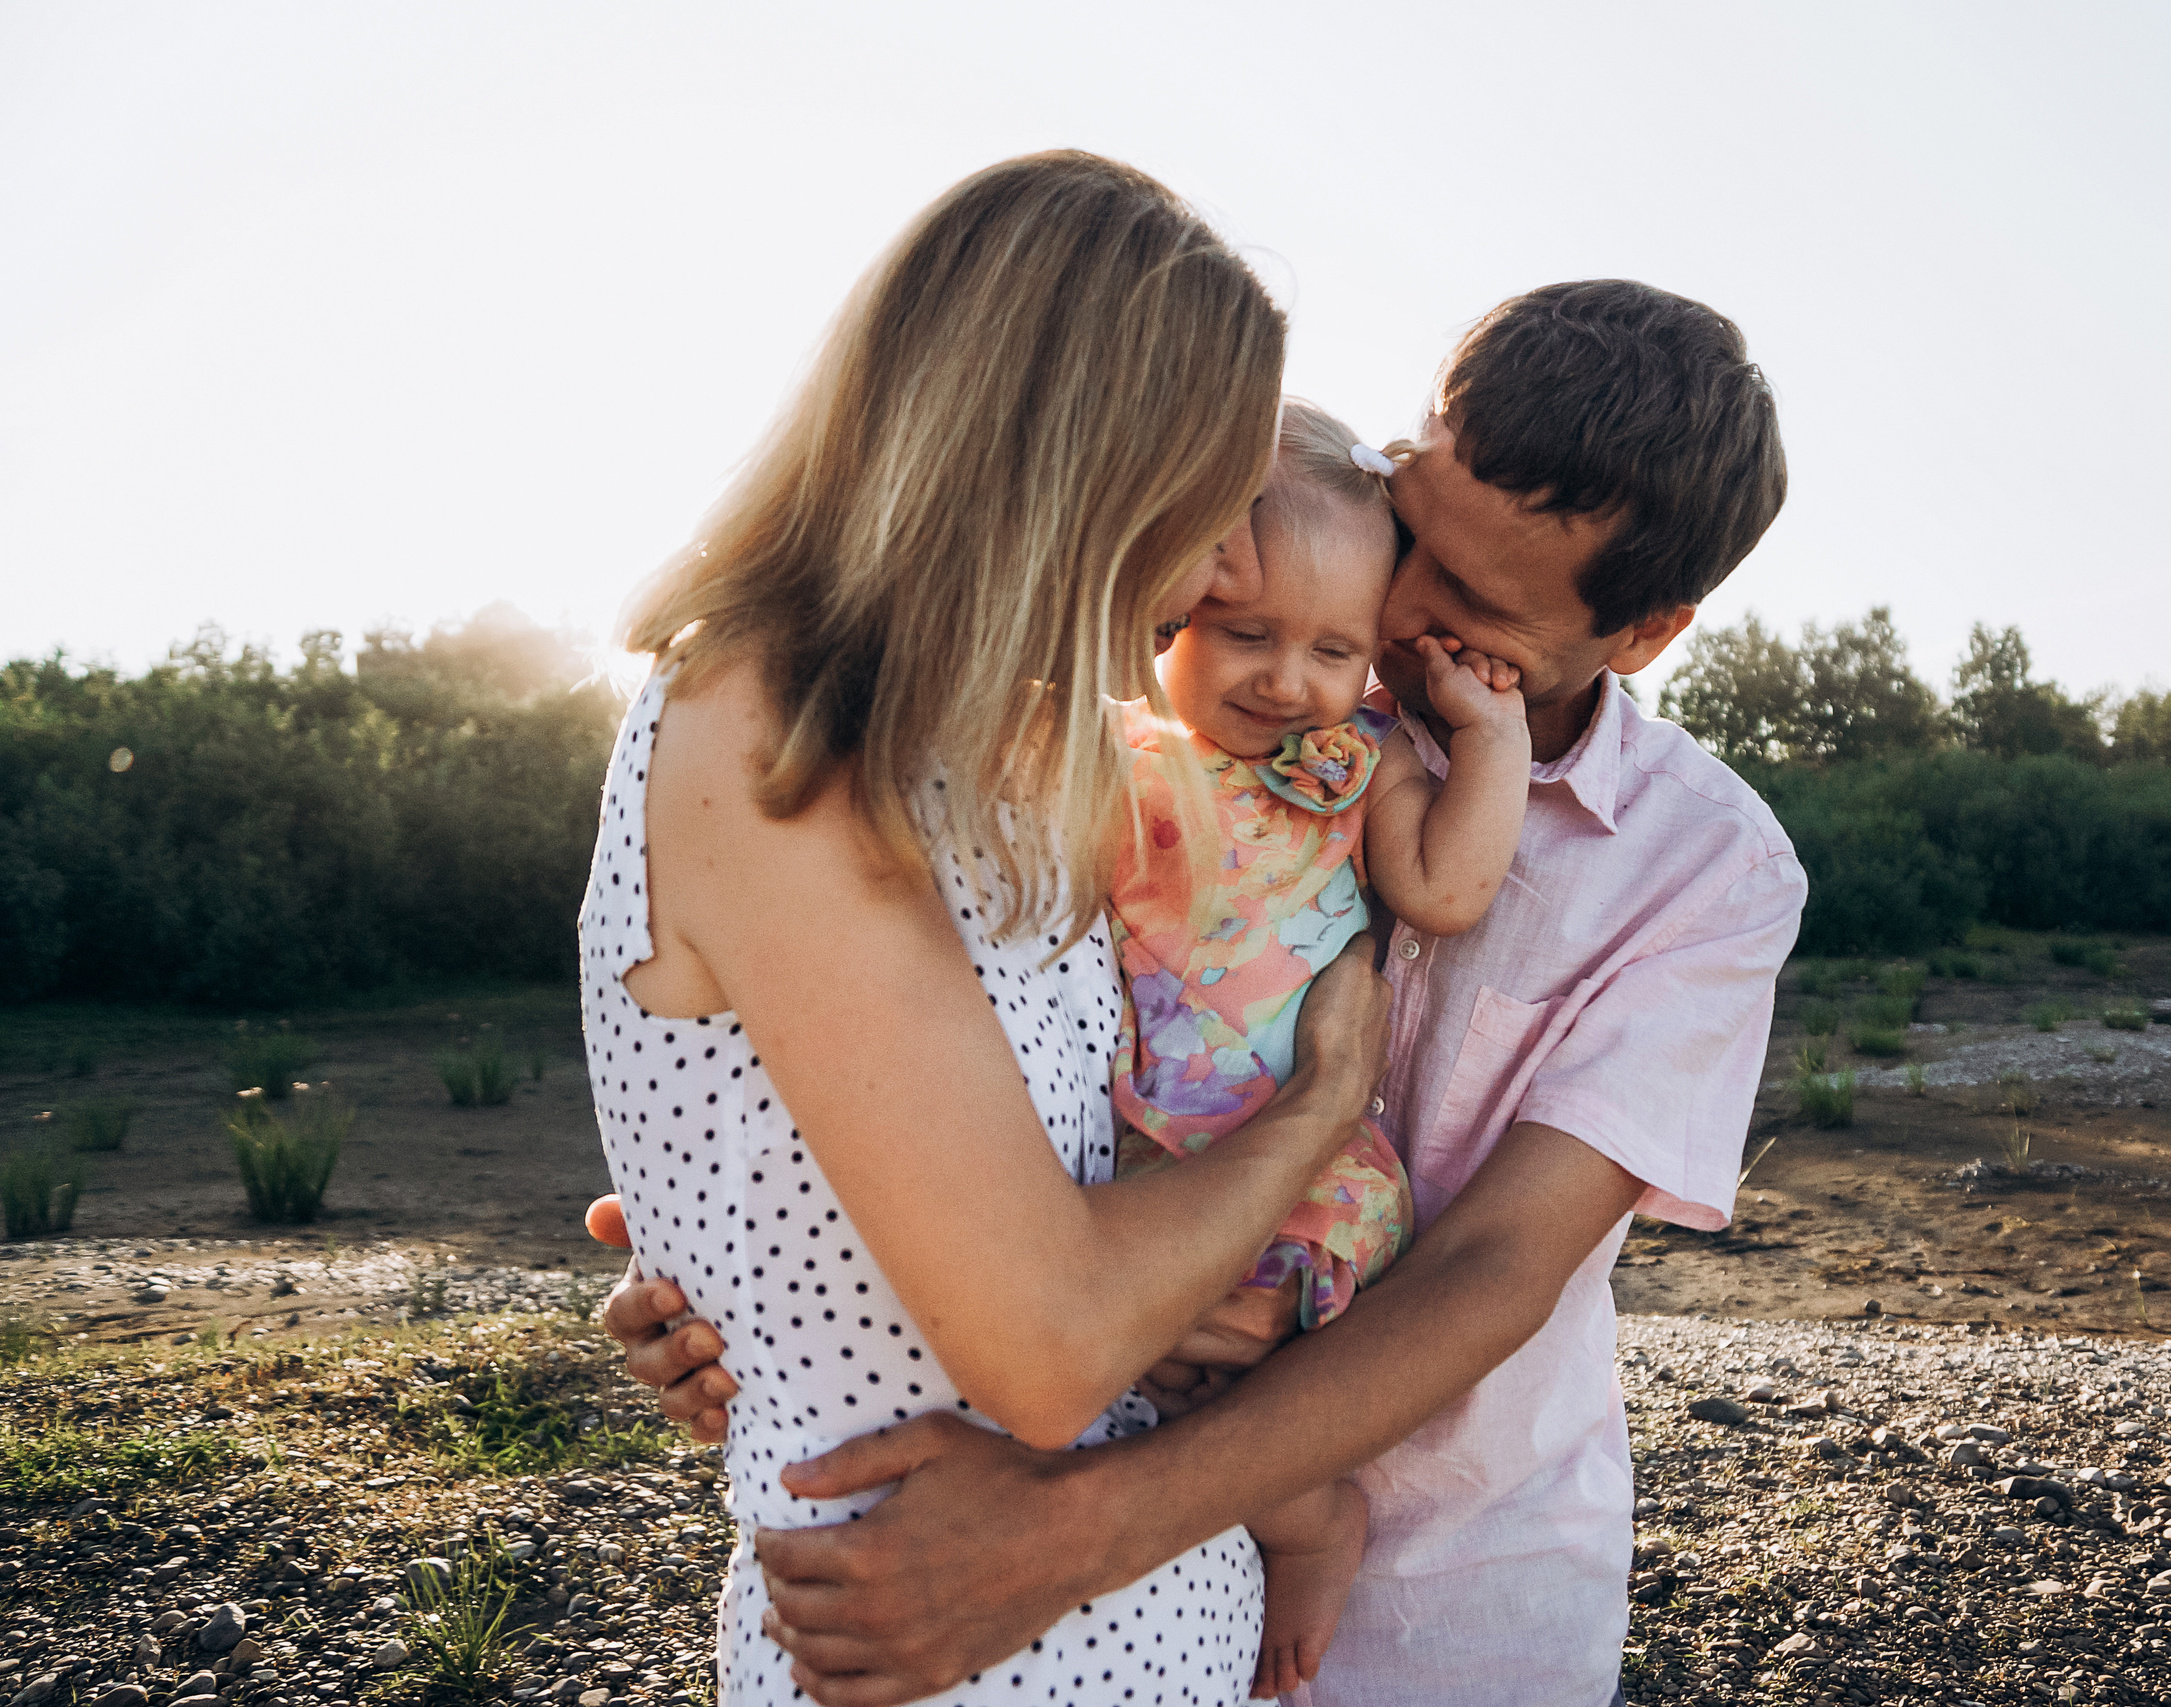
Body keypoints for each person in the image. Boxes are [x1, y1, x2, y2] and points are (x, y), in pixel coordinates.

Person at [603, 278, 1803, 1707]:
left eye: (1474, 606)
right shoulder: (1218, 635)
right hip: (1085, 1491)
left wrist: (1071, 1537)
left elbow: (1499, 1270)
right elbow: (935, 1009)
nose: (1398, 611)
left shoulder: (1705, 871)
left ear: (1647, 632)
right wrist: (755, 1265)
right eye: (1409, 530)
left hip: (1435, 1601)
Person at [578, 150, 1398, 1707]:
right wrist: (1317, 1111)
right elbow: (1051, 1342)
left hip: (1123, 1634)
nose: (1229, 563)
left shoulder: (1000, 759)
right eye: (1217, 501)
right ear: (1085, 466)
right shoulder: (763, 720)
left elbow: (908, 1174)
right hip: (956, 1665)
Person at [1114, 396, 1530, 1696]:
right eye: (1248, 634)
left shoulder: (1362, 766)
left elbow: (1450, 893)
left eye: (1333, 649)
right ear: (1175, 605)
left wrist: (1488, 738)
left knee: (1230, 1403)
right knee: (1139, 1386)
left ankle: (1313, 1521)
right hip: (1143, 1151)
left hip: (1303, 1166)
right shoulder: (1113, 754)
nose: (1288, 679)